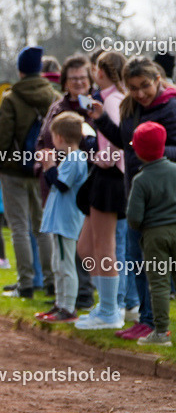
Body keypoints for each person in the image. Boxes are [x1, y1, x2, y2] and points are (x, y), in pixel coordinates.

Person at [91, 57, 176, 340]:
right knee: (134, 259)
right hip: (134, 194)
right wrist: (102, 119)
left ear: (157, 79)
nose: (140, 93)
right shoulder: (131, 106)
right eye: (133, 88)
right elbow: (124, 139)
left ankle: (154, 323)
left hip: (162, 203)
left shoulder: (171, 107)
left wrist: (156, 152)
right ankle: (145, 319)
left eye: (145, 86)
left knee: (155, 268)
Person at [0, 46, 60, 299]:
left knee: (19, 227)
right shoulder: (53, 97)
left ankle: (26, 283)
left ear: (20, 70)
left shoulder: (11, 98)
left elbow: (1, 136)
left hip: (14, 170)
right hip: (42, 168)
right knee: (43, 227)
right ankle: (52, 282)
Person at [74, 50, 128, 330]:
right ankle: (105, 305)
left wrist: (99, 153)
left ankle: (110, 310)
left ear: (101, 71)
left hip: (111, 178)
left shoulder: (115, 100)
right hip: (102, 175)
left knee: (104, 246)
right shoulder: (105, 100)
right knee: (86, 247)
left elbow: (120, 141)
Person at [36, 54, 96, 307]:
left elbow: (96, 144)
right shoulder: (57, 108)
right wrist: (43, 164)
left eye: (82, 77)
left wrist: (53, 167)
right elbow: (42, 139)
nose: (78, 82)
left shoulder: (94, 107)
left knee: (75, 248)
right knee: (61, 255)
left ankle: (78, 297)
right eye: (73, 79)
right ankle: (63, 299)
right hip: (55, 184)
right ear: (64, 82)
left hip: (77, 187)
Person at [126, 121, 176, 346]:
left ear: (138, 151)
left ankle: (162, 333)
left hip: (155, 236)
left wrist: (141, 227)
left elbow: (134, 217)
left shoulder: (141, 179)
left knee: (159, 284)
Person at [36, 112, 89, 323]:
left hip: (66, 220)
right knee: (58, 264)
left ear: (60, 137)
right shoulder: (72, 158)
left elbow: (61, 184)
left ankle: (68, 307)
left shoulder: (75, 158)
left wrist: (48, 166)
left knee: (65, 265)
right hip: (61, 220)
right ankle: (60, 303)